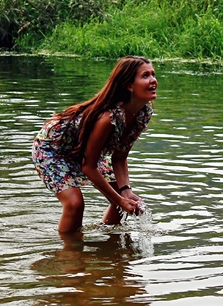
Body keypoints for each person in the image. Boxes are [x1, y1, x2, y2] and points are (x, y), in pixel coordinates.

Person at [32, 56, 157, 233]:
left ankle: (107, 243)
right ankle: (70, 252)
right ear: (129, 85)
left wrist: (126, 191)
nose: (153, 80)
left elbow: (120, 157)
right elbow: (88, 167)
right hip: (52, 149)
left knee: (121, 200)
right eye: (145, 76)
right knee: (75, 204)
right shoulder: (108, 117)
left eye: (153, 74)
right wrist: (120, 199)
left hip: (83, 150)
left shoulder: (143, 113)